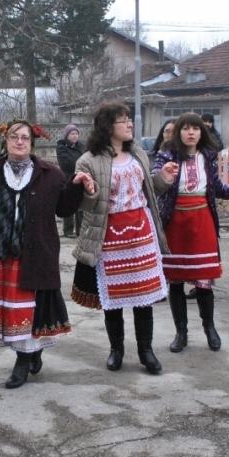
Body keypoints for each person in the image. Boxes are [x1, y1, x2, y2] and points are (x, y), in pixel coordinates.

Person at [0, 119, 87, 388]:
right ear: (6, 142)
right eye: (14, 137)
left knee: (27, 310)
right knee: (8, 311)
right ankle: (30, 352)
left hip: (33, 254)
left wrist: (76, 186)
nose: (20, 142)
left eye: (25, 138)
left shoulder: (51, 174)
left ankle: (23, 360)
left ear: (32, 143)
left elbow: (64, 209)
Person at [153, 113, 229, 353]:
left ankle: (210, 328)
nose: (191, 132)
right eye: (185, 128)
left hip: (202, 221)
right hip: (175, 222)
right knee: (176, 281)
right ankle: (181, 332)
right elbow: (155, 185)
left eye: (195, 128)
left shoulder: (207, 156)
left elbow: (218, 188)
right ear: (178, 132)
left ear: (202, 132)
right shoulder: (167, 155)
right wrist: (164, 175)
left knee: (204, 282)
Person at [71, 100, 169, 375]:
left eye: (129, 119)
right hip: (109, 235)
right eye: (123, 120)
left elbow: (149, 192)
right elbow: (86, 206)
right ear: (107, 126)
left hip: (141, 232)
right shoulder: (87, 160)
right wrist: (88, 190)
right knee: (113, 298)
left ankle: (146, 352)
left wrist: (164, 179)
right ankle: (117, 350)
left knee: (144, 296)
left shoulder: (138, 153)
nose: (129, 124)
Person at [56, 124, 86, 238]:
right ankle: (68, 230)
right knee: (69, 203)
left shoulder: (81, 145)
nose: (75, 136)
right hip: (68, 178)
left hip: (81, 177)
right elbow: (66, 163)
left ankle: (80, 230)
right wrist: (80, 163)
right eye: (72, 134)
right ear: (67, 135)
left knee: (81, 206)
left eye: (76, 133)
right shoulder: (61, 147)